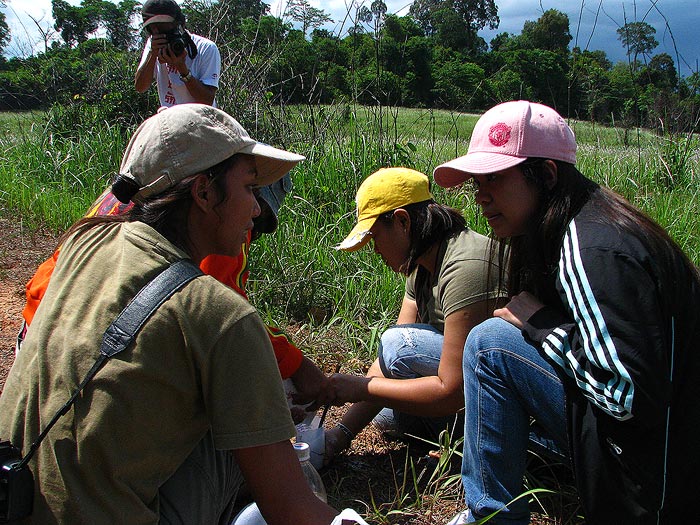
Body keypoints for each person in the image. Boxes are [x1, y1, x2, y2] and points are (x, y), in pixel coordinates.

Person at [0, 104, 358, 524]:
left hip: (15, 498)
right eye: (249, 188)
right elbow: (294, 511)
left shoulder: (82, 243)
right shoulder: (221, 314)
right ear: (204, 193)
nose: (257, 210)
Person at [433, 100, 700, 524]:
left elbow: (630, 396)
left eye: (496, 179)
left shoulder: (590, 247)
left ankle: (491, 517)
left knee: (489, 346)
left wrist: (542, 325)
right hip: (665, 455)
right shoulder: (582, 223)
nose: (481, 197)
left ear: (547, 175)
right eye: (477, 183)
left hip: (654, 485)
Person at [19, 175, 325, 420]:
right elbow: (226, 317)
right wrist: (295, 369)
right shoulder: (217, 218)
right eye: (250, 193)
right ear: (205, 191)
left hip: (42, 331)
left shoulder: (131, 188)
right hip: (97, 369)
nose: (254, 217)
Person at [323, 167, 505, 461]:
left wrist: (360, 388)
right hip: (468, 391)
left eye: (375, 238)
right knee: (384, 414)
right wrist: (340, 435)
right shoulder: (421, 264)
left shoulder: (464, 266)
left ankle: (476, 448)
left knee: (397, 347)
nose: (376, 252)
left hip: (496, 406)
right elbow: (387, 364)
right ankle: (456, 440)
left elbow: (451, 390)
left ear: (402, 221)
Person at [135, 0, 221, 107]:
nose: (160, 33)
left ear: (180, 25)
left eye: (164, 27)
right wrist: (152, 55)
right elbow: (140, 87)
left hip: (201, 117)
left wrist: (182, 68)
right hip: (170, 119)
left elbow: (207, 100)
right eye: (154, 28)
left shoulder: (206, 48)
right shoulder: (153, 45)